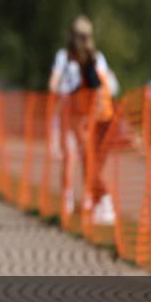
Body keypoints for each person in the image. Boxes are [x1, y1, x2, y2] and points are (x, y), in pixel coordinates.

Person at [48, 15, 119, 225]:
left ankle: (105, 205)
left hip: (99, 121)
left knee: (92, 166)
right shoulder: (84, 67)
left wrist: (90, 119)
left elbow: (98, 94)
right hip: (89, 121)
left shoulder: (90, 66)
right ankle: (97, 205)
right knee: (88, 164)